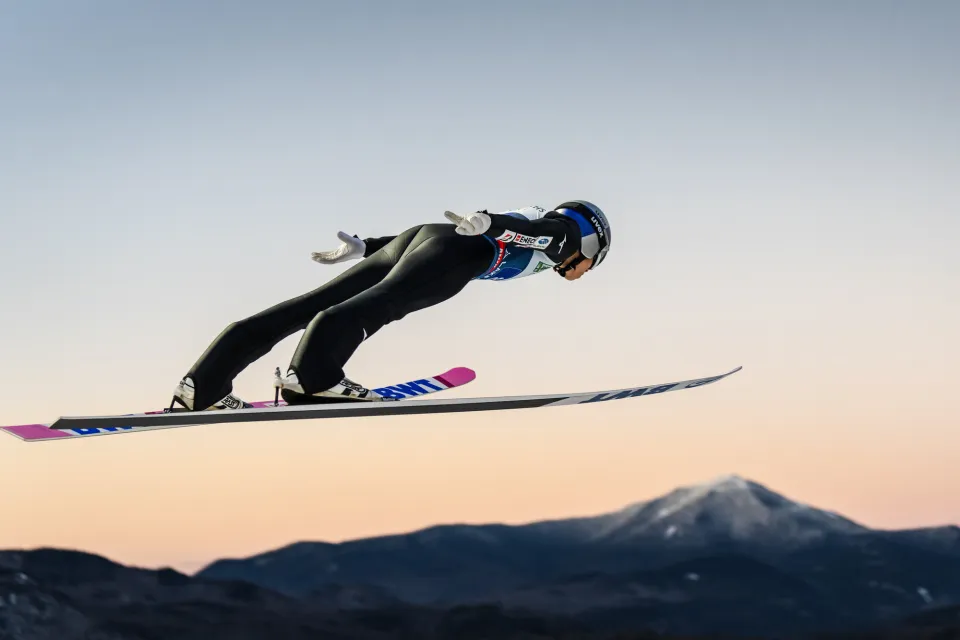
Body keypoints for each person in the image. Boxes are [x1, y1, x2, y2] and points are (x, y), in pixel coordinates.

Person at [170, 200, 612, 410]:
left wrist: (369, 248)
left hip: (424, 237)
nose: (585, 269)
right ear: (591, 241)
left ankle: (202, 386)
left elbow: (521, 226)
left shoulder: (546, 229)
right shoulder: (563, 237)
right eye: (593, 261)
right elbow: (527, 231)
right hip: (461, 253)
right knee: (380, 304)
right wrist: (494, 223)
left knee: (309, 305)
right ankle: (311, 380)